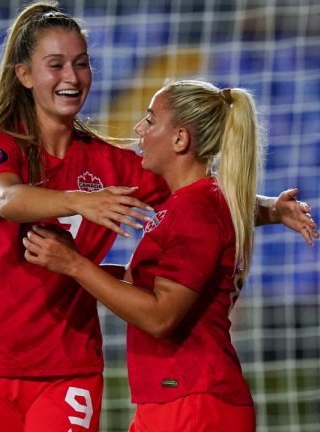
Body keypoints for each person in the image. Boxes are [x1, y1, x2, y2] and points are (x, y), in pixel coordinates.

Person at [0, 2, 318, 431]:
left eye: (81, 64)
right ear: (25, 75)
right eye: (56, 65)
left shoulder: (112, 166)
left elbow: (200, 199)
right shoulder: (1, 145)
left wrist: (271, 208)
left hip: (70, 370)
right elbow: (8, 200)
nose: (72, 76)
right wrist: (73, 207)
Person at [24, 80, 265, 431]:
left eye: (151, 120)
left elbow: (160, 316)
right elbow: (141, 282)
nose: (139, 128)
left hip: (195, 402)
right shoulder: (189, 204)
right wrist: (47, 263)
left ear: (180, 139)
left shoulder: (196, 210)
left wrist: (75, 265)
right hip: (175, 397)